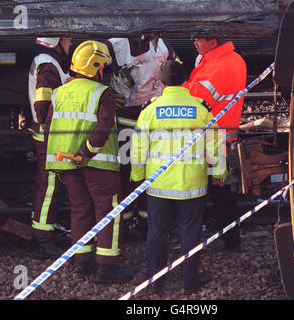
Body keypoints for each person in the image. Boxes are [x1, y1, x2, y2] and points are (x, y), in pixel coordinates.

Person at [130, 60, 227, 294]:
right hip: (192, 184)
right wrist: (219, 172)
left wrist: (138, 175)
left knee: (157, 232)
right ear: (185, 82)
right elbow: (215, 143)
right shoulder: (201, 107)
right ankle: (190, 281)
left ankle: (155, 282)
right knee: (191, 232)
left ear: (162, 84)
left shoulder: (150, 110)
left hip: (159, 185)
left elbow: (138, 147)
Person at [45, 40, 132, 283]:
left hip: (67, 165)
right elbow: (103, 127)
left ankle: (82, 263)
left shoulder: (60, 92)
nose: (103, 70)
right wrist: (86, 151)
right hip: (98, 164)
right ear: (94, 67)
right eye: (102, 66)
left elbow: (51, 127)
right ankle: (107, 269)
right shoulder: (102, 93)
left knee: (80, 209)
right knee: (107, 212)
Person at [103, 36, 180, 239]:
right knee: (128, 176)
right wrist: (108, 95)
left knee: (149, 174)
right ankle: (128, 224)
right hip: (128, 121)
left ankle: (146, 224)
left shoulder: (164, 45)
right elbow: (92, 73)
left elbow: (178, 73)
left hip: (150, 121)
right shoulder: (114, 45)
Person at [183, 37, 247, 253]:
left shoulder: (219, 65)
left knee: (219, 193)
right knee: (223, 192)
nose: (194, 43)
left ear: (213, 40)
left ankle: (230, 240)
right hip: (222, 137)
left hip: (215, 139)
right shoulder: (227, 59)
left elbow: (196, 99)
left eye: (198, 39)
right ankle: (231, 238)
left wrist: (176, 87)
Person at [26, 37, 72, 259]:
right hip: (49, 136)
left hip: (47, 134)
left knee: (48, 184)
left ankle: (45, 231)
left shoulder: (47, 62)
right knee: (50, 185)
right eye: (67, 39)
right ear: (55, 42)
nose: (70, 43)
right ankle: (42, 239)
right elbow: (43, 106)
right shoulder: (48, 65)